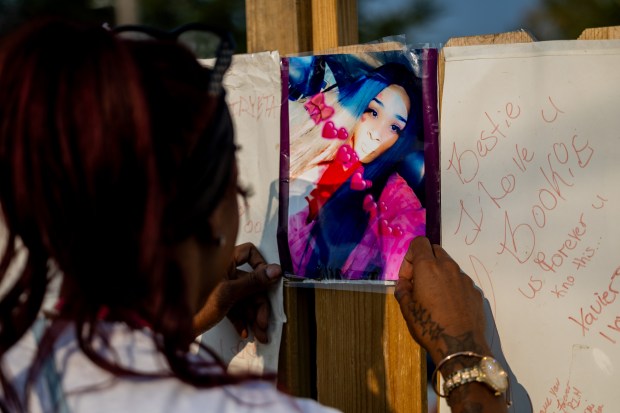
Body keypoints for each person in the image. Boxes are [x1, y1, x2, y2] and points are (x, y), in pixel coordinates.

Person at [0, 19, 508, 413]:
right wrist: (464, 358)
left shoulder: (19, 358)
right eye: (236, 184)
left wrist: (172, 324)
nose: (377, 132)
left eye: (397, 126)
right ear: (210, 215)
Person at [287, 61, 426, 280]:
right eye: (373, 112)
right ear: (360, 103)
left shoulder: (393, 196)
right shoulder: (317, 133)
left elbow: (410, 236)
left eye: (394, 128)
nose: (376, 134)